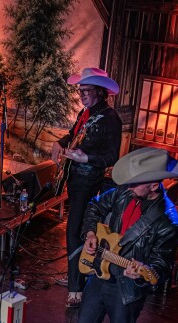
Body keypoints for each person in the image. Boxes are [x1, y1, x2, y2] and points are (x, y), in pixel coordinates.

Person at [49, 147, 178, 323]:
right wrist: (90, 232)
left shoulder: (168, 222)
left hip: (127, 287)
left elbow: (161, 266)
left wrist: (145, 272)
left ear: (155, 185)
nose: (129, 186)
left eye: (136, 183)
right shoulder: (124, 192)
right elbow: (95, 205)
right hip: (100, 274)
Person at [51, 67, 122, 307]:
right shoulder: (86, 113)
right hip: (75, 179)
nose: (81, 96)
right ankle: (76, 277)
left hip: (90, 182)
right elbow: (72, 135)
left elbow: (112, 156)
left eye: (86, 91)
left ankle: (76, 289)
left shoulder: (110, 118)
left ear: (101, 92)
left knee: (75, 231)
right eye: (80, 92)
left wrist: (86, 159)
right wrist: (58, 143)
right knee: (75, 230)